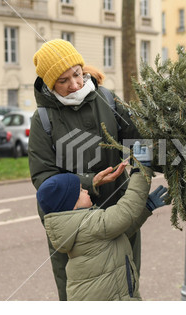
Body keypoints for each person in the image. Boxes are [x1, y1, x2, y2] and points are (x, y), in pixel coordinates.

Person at [29, 39, 143, 300]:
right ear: (49, 84)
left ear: (82, 68)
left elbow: (138, 138)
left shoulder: (106, 99)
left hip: (118, 205)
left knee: (126, 282)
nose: (75, 84)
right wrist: (91, 181)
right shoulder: (43, 119)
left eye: (77, 74)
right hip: (72, 221)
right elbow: (43, 177)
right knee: (81, 292)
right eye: (63, 80)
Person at [37, 167, 168, 300]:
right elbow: (126, 211)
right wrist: (140, 172)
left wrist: (146, 208)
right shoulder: (89, 223)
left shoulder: (83, 225)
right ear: (73, 204)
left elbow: (119, 232)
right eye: (81, 190)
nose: (87, 191)